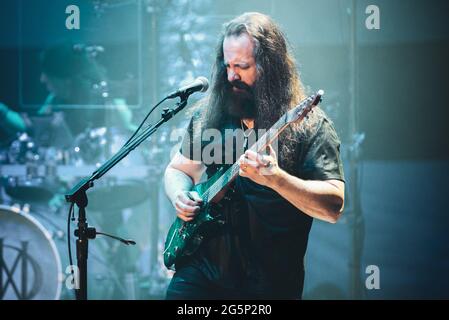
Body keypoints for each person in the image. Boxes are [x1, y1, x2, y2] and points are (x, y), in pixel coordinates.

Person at [163, 12, 345, 299]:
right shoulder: (211, 112)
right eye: (227, 65)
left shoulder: (310, 125)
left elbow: (333, 206)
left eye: (242, 66)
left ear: (270, 67)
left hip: (269, 282)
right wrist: (180, 196)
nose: (231, 76)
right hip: (202, 268)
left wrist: (276, 179)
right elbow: (178, 169)